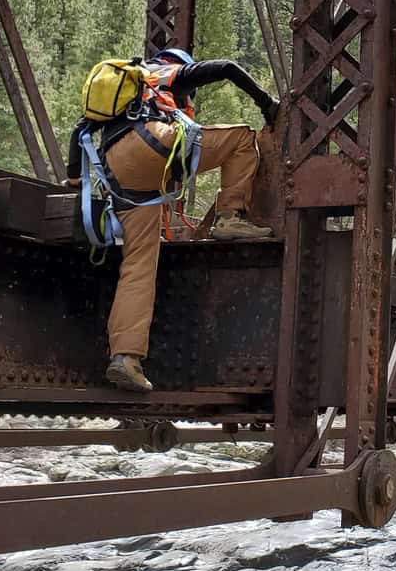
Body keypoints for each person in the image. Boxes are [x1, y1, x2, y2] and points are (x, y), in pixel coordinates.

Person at [69, 48, 279, 392]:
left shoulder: (123, 88)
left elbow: (81, 129)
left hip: (117, 170)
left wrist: (74, 179)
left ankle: (126, 358)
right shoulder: (170, 74)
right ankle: (229, 216)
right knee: (241, 139)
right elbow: (227, 67)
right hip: (151, 144)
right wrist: (266, 103)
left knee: (138, 265)